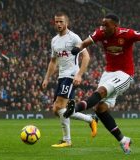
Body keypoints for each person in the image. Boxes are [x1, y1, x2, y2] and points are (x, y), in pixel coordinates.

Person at [63, 13, 140, 154]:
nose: (103, 27)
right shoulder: (101, 33)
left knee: (102, 91)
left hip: (124, 74)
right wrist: (78, 48)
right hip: (108, 73)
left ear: (116, 26)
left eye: (106, 25)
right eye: (102, 24)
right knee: (100, 108)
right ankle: (124, 140)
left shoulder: (127, 34)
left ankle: (76, 109)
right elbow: (85, 42)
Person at [42, 12, 98, 148]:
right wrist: (46, 78)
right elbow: (53, 61)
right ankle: (90, 120)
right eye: (56, 22)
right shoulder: (54, 40)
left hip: (71, 75)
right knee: (58, 110)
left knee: (59, 107)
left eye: (61, 21)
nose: (58, 24)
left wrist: (79, 75)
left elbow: (86, 56)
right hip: (61, 77)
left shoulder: (73, 38)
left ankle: (67, 140)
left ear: (66, 23)